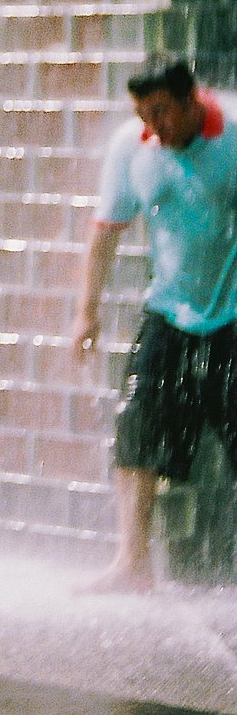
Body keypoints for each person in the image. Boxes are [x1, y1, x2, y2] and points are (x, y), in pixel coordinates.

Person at [74, 53, 237, 594]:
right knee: (138, 428)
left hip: (233, 315)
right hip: (168, 309)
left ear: (192, 99)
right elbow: (105, 234)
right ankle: (132, 564)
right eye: (144, 115)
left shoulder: (233, 136)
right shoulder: (132, 147)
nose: (153, 128)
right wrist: (85, 312)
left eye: (162, 113)